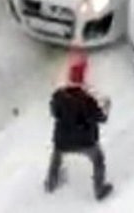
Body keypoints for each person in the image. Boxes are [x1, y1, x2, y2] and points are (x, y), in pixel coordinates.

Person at [45, 52, 113, 200]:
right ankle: (99, 189)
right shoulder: (88, 101)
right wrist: (106, 106)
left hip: (62, 139)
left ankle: (51, 182)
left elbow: (54, 112)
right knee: (98, 160)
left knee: (56, 157)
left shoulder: (58, 96)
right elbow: (101, 118)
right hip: (85, 141)